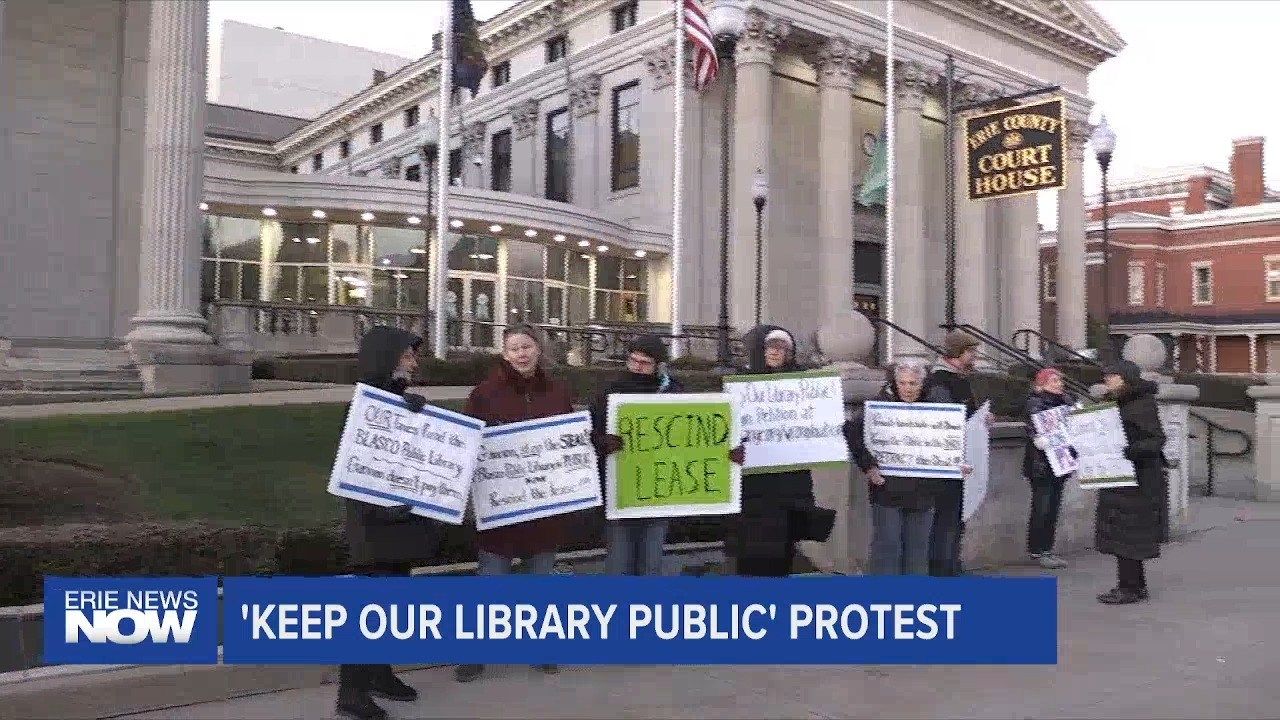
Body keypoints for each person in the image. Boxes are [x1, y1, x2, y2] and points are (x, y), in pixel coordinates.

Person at [455, 324, 574, 682]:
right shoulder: (485, 393)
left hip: (543, 504)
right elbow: (466, 436)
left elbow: (569, 437)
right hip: (500, 505)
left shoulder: (557, 392)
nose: (521, 354)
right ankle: (475, 653)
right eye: (513, 349)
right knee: (492, 581)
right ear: (504, 354)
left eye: (527, 347)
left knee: (540, 580)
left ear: (538, 349)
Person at [338, 326, 435, 720]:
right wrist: (381, 509)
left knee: (391, 602)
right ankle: (351, 692)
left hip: (401, 521)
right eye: (408, 355)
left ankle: (380, 673)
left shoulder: (396, 400)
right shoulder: (363, 405)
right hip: (373, 524)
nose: (414, 362)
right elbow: (355, 468)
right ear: (387, 357)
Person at [847, 362, 957, 575]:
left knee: (918, 550)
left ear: (922, 383)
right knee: (887, 548)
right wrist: (868, 466)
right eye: (902, 383)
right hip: (887, 489)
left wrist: (955, 465)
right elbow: (852, 433)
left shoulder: (937, 407)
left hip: (924, 490)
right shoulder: (878, 405)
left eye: (913, 383)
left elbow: (949, 443)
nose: (907, 388)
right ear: (894, 383)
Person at [589, 335, 684, 576]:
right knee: (619, 566)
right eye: (633, 361)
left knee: (651, 564)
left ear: (658, 365)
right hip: (619, 492)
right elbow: (589, 434)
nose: (637, 367)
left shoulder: (673, 393)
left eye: (644, 363)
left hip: (658, 492)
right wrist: (603, 442)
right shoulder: (611, 392)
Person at [732, 325, 816, 577]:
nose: (776, 352)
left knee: (784, 546)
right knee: (751, 543)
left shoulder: (803, 382)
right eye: (771, 347)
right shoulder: (744, 380)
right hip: (754, 481)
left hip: (790, 481)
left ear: (790, 353)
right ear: (761, 350)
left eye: (782, 348)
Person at [1095, 359, 1167, 604]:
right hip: (1118, 477)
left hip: (1138, 479)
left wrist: (1127, 451)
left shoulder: (1140, 404)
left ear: (1125, 378)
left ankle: (1129, 589)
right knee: (1122, 534)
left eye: (1111, 374)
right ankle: (1134, 585)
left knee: (1128, 535)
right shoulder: (1114, 402)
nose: (1106, 378)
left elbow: (1155, 440)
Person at [924, 330, 985, 577]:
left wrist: (982, 419)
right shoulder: (941, 380)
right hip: (947, 458)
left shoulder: (956, 378)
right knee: (947, 516)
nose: (974, 357)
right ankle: (943, 567)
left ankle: (951, 562)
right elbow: (947, 417)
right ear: (958, 354)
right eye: (971, 352)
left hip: (959, 456)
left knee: (955, 514)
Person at [1024, 367, 1077, 569]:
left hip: (1061, 462)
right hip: (1041, 464)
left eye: (1060, 380)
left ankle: (1047, 548)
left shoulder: (1067, 401)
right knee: (1042, 507)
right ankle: (1038, 549)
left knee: (1053, 506)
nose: (1059, 384)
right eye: (1054, 381)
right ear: (1042, 384)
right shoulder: (1035, 402)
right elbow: (1032, 425)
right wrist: (1038, 437)